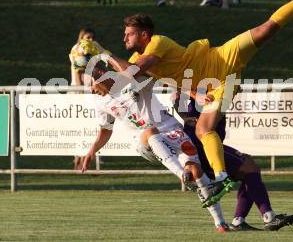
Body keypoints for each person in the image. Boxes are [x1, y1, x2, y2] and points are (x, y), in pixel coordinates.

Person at [106, 0, 293, 207]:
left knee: (266, 28)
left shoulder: (157, 42)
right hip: (218, 86)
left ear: (144, 35)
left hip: (220, 57)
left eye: (129, 34)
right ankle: (221, 177)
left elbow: (134, 71)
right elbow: (135, 78)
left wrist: (105, 55)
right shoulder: (135, 60)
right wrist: (95, 74)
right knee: (203, 130)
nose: (125, 38)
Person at [81, 60, 231, 232]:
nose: (91, 90)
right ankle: (181, 174)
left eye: (91, 84)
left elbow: (165, 77)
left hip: (171, 129)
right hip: (145, 140)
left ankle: (220, 223)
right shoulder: (100, 102)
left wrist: (193, 95)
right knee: (150, 131)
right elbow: (105, 130)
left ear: (101, 75)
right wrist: (92, 150)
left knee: (196, 171)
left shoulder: (132, 81)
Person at [181, 98, 293, 231]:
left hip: (208, 145)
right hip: (202, 147)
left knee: (248, 170)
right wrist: (186, 116)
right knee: (249, 167)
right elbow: (176, 95)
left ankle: (240, 221)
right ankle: (268, 217)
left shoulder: (214, 86)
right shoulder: (200, 85)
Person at [69, 27, 111, 169]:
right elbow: (77, 70)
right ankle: (78, 159)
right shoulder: (78, 49)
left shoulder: (95, 46)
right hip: (79, 93)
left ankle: (95, 158)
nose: (91, 40)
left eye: (92, 37)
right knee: (79, 128)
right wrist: (80, 91)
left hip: (93, 91)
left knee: (97, 127)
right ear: (81, 37)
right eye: (88, 37)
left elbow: (103, 63)